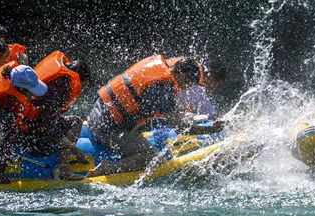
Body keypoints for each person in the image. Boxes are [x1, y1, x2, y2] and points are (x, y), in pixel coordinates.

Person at [86, 56, 220, 177]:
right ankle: (107, 169)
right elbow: (182, 128)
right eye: (189, 83)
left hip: (98, 115)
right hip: (106, 127)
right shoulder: (161, 89)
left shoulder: (158, 67)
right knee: (152, 158)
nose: (187, 88)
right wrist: (211, 130)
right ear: (181, 74)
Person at [13, 51, 92, 178]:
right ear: (81, 81)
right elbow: (49, 128)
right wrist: (74, 148)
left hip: (21, 132)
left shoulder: (53, 81)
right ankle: (62, 169)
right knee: (76, 121)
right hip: (31, 143)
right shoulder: (54, 94)